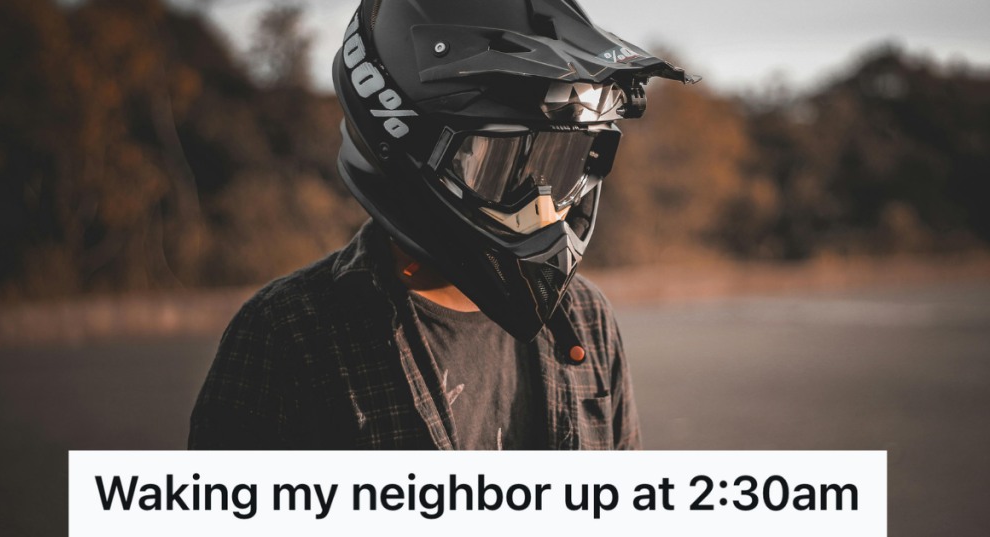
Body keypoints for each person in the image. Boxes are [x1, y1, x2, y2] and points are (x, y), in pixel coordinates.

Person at [188, 0, 698, 450]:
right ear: (401, 142)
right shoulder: (289, 338)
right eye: (499, 166)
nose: (544, 207)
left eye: (563, 163)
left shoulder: (589, 320)